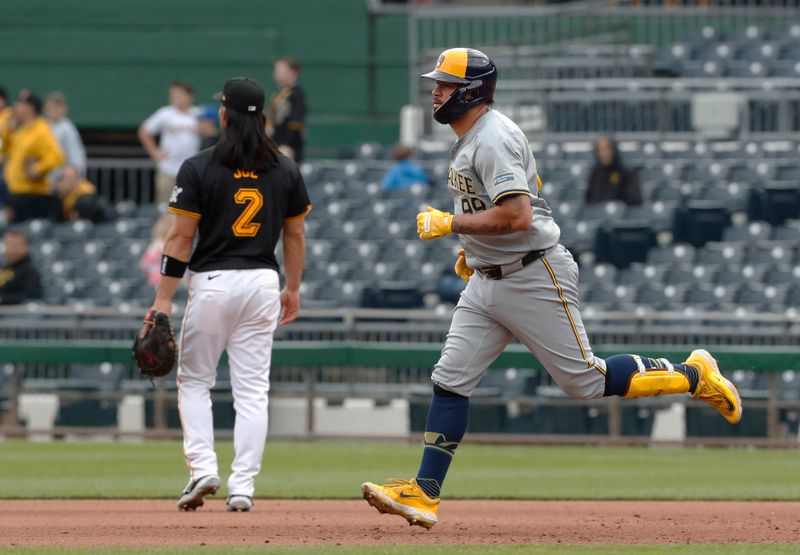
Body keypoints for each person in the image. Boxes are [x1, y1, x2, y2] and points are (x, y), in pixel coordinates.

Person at [360, 48, 742, 530]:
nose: (435, 90)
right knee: (450, 379)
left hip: (534, 274)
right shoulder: (472, 136)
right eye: (436, 82)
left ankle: (694, 374)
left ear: (472, 91)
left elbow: (518, 215)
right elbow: (521, 202)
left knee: (585, 382)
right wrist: (474, 249)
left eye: (447, 84)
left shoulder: (492, 137)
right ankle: (424, 493)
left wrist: (451, 223)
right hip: (489, 277)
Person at [138, 77, 311, 513]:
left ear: (223, 115)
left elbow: (179, 240)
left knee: (195, 381)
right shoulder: (286, 168)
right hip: (262, 285)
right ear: (265, 118)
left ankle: (202, 468)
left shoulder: (199, 165)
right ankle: (243, 487)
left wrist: (162, 300)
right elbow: (295, 235)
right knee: (252, 390)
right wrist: (292, 287)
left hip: (214, 282)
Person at [1, 90, 64, 222]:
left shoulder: (41, 129)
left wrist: (37, 169)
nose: (15, 107)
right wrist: (7, 129)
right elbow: (4, 151)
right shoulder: (21, 129)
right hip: (16, 193)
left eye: (20, 104)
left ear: (30, 108)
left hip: (34, 196)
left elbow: (56, 157)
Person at [138, 82, 201, 204]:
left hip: (191, 170)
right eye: (172, 94)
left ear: (189, 96)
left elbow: (213, 132)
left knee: (189, 205)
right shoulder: (166, 113)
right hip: (168, 168)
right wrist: (154, 152)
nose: (174, 97)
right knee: (165, 207)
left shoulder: (198, 113)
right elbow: (144, 131)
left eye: (179, 94)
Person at [266, 57, 307, 162]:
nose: (276, 73)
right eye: (275, 70)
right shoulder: (279, 93)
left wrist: (287, 144)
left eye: (280, 70)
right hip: (274, 141)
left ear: (292, 72)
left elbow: (296, 122)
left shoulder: (297, 94)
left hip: (288, 145)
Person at [584, 135, 642, 205]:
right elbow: (589, 200)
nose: (603, 153)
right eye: (599, 150)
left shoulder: (627, 173)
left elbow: (634, 200)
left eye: (606, 149)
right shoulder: (595, 173)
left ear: (613, 149)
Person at [44, 91, 87, 177]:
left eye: (58, 106)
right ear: (45, 108)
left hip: (60, 179)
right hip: (42, 179)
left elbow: (76, 157)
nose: (54, 109)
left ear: (65, 109)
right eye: (51, 106)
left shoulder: (67, 128)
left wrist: (74, 173)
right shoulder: (42, 126)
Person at [0, 228, 42, 304]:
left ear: (26, 247)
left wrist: (2, 299)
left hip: (14, 314)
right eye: (8, 244)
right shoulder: (3, 268)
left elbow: (30, 297)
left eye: (16, 244)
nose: (12, 248)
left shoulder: (30, 271)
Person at [138, 212, 175, 287]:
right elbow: (144, 265)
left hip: (170, 283)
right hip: (157, 282)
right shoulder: (156, 246)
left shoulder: (157, 246)